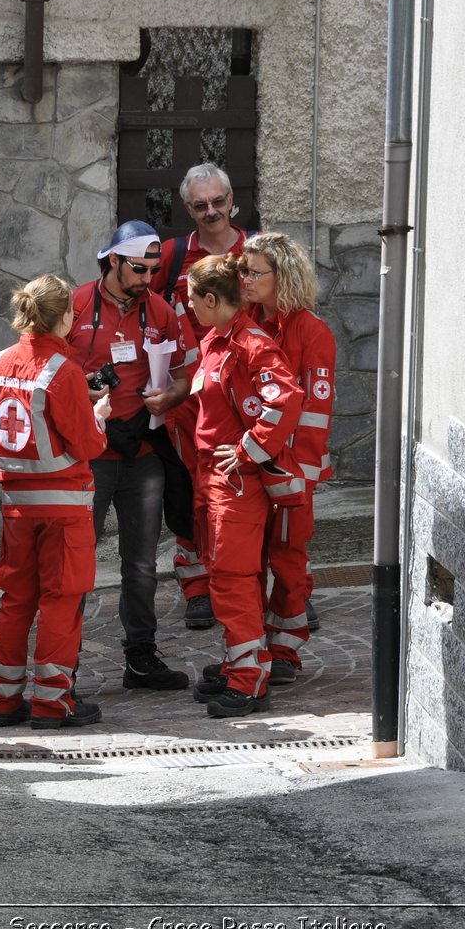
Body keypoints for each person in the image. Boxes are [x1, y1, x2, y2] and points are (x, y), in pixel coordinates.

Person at [0, 274, 112, 728]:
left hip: (17, 503)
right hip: (65, 506)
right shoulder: (64, 371)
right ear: (66, 316)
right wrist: (97, 416)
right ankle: (54, 702)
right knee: (61, 599)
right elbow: (88, 445)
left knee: (17, 599)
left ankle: (3, 697)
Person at [66, 221, 193, 690]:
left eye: (154, 270)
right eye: (139, 268)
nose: (147, 278)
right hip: (91, 453)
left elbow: (183, 374)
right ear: (113, 260)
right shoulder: (75, 305)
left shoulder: (160, 309)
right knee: (77, 562)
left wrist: (171, 398)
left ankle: (141, 658)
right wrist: (83, 388)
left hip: (142, 451)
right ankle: (64, 665)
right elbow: (48, 372)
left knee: (141, 565)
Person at [181, 254, 304, 717]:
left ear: (212, 299)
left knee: (232, 578)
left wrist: (251, 448)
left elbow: (286, 398)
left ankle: (248, 680)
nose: (189, 307)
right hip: (214, 478)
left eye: (193, 299)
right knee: (228, 578)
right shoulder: (217, 339)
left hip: (235, 482)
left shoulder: (251, 345)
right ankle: (243, 665)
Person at [151, 163, 249, 632]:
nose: (211, 212)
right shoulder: (171, 256)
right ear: (188, 209)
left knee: (251, 490)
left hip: (246, 396)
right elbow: (146, 310)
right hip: (188, 398)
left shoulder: (258, 252)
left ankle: (261, 584)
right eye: (200, 205)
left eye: (218, 202)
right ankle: (196, 585)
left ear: (232, 200)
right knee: (191, 494)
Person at [239, 233, 336, 680]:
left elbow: (315, 416)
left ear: (283, 276)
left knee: (289, 562)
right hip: (250, 463)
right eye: (244, 270)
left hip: (290, 473)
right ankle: (253, 647)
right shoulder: (247, 321)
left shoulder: (312, 332)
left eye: (255, 272)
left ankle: (285, 652)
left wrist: (297, 477)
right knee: (247, 562)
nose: (245, 279)